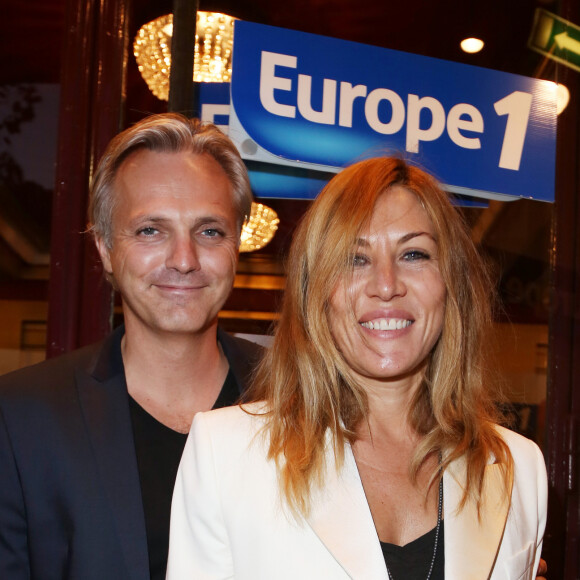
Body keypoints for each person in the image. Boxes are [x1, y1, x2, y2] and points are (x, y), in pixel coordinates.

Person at [167, 156, 548, 579]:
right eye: (355, 259)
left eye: (414, 254)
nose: (386, 285)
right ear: (317, 292)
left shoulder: (519, 468)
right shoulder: (225, 455)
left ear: (451, 284)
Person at [0, 113, 262, 580]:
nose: (184, 260)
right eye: (150, 231)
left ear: (236, 246)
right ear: (104, 249)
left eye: (209, 231)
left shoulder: (303, 394)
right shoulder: (22, 418)